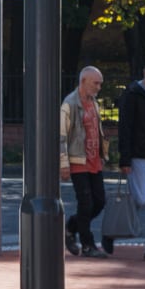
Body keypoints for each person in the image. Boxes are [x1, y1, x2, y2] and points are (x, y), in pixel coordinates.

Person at [60, 66, 109, 257]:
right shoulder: (69, 104)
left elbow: (97, 131)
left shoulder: (94, 102)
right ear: (83, 82)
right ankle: (88, 245)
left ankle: (71, 227)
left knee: (99, 201)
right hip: (78, 160)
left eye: (100, 84)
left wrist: (102, 156)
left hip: (94, 161)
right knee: (86, 202)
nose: (98, 87)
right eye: (95, 83)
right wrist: (64, 164)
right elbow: (61, 137)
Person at [118, 56, 145, 260]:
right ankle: (113, 230)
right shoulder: (132, 94)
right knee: (141, 198)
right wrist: (125, 158)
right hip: (140, 154)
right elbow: (125, 127)